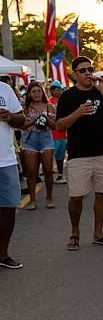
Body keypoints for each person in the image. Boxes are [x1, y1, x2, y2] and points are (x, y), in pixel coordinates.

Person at [55, 56, 103, 251]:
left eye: (90, 69)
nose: (87, 74)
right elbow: (59, 126)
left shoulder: (100, 91)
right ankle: (75, 232)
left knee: (102, 194)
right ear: (75, 74)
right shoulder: (67, 96)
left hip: (102, 153)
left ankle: (98, 233)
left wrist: (102, 90)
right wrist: (78, 112)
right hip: (78, 155)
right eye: (83, 70)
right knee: (76, 197)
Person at [0, 81, 25, 269]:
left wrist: (9, 117)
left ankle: (3, 254)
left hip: (6, 160)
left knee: (8, 208)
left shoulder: (5, 89)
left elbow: (21, 119)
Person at [20, 81, 56, 210]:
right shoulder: (25, 108)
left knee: (48, 171)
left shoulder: (49, 107)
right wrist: (34, 121)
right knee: (31, 173)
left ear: (42, 92)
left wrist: (46, 119)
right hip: (30, 140)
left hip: (46, 139)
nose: (36, 94)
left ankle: (49, 197)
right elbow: (21, 126)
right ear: (29, 93)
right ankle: (32, 200)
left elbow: (56, 126)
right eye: (33, 91)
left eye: (39, 91)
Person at [48, 80, 67, 184]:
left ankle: (60, 174)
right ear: (52, 90)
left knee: (60, 157)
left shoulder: (64, 101)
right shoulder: (48, 102)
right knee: (49, 158)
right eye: (57, 89)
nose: (59, 91)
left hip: (63, 134)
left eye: (60, 89)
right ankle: (49, 177)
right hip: (51, 135)